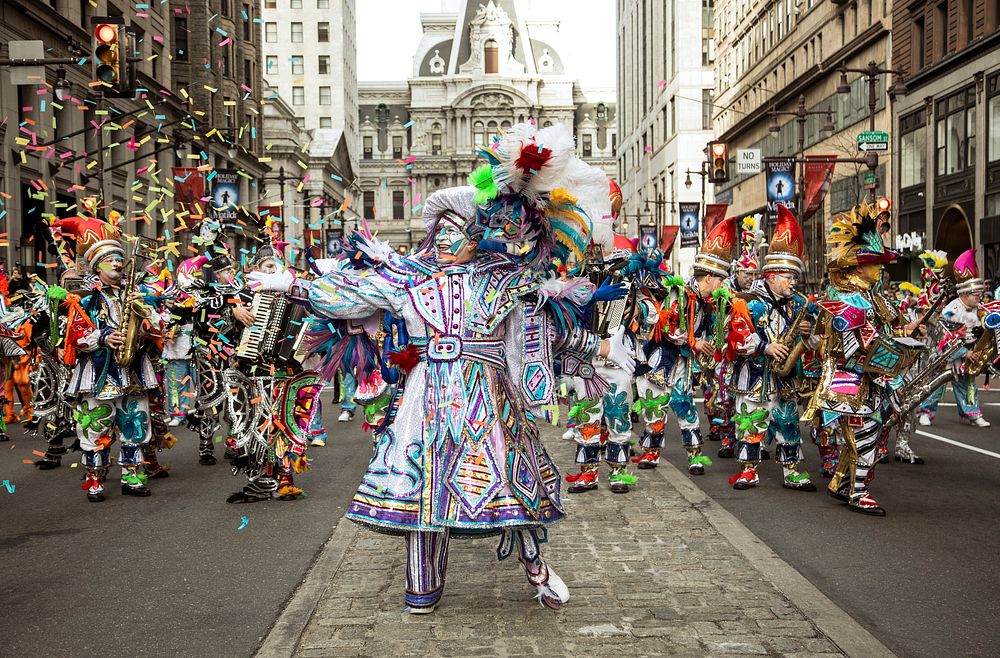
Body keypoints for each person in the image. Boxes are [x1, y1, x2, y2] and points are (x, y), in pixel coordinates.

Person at [249, 122, 634, 612]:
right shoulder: (407, 284)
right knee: (423, 488)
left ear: (477, 239)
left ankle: (536, 569)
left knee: (508, 481)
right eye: (445, 230)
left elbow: (543, 322)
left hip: (486, 397)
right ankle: (422, 588)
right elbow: (351, 294)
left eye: (463, 232)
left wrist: (592, 333)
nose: (452, 239)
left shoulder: (502, 282)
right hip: (425, 397)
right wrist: (290, 285)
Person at [804, 202, 924, 516]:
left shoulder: (871, 295)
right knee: (865, 437)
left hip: (870, 379)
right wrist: (890, 369)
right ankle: (858, 493)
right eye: (875, 264)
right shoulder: (846, 297)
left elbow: (890, 327)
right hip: (851, 380)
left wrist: (910, 329)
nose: (880, 269)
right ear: (859, 266)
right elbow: (855, 347)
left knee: (866, 433)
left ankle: (842, 484)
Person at [57, 216, 163, 501]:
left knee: (135, 422)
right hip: (99, 371)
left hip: (133, 370)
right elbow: (73, 336)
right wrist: (102, 337)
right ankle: (94, 479)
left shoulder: (135, 293)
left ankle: (132, 475)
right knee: (95, 424)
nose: (117, 264)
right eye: (110, 260)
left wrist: (147, 314)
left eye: (119, 259)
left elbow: (159, 327)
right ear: (96, 266)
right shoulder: (84, 297)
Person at [726, 205, 818, 491]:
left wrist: (808, 333)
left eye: (794, 277)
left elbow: (813, 343)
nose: (793, 282)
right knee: (751, 420)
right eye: (789, 277)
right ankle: (748, 470)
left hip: (785, 379)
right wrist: (765, 348)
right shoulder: (749, 302)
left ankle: (791, 471)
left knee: (788, 422)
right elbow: (736, 338)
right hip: (755, 376)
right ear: (772, 276)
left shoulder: (797, 305)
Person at [917, 249, 991, 428]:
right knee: (937, 385)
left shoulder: (980, 309)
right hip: (946, 353)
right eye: (976, 295)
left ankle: (972, 414)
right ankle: (926, 412)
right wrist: (964, 352)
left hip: (969, 353)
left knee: (968, 385)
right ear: (964, 295)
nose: (979, 298)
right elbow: (943, 334)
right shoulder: (951, 310)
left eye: (979, 294)